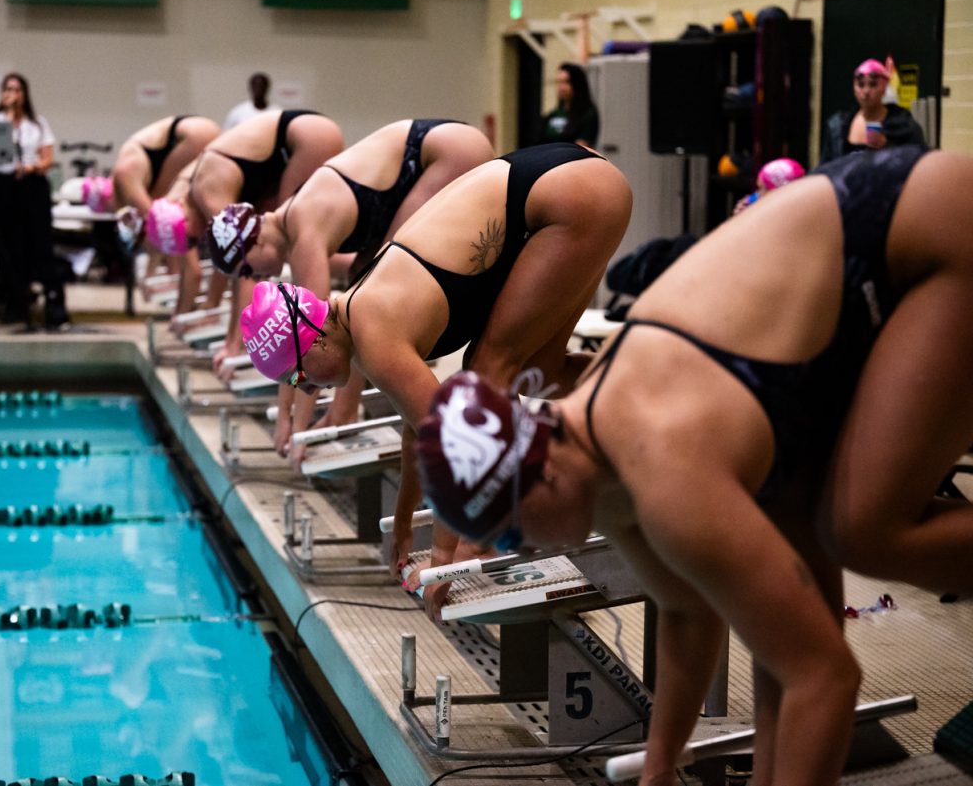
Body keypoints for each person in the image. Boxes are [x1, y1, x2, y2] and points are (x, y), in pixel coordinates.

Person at [414, 145, 973, 786]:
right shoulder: (598, 457)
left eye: (511, 531)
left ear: (538, 473)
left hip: (926, 231)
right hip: (860, 263)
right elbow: (688, 611)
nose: (522, 548)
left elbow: (827, 680)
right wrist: (659, 768)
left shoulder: (664, 469)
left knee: (861, 529)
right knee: (790, 603)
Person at [238, 142, 631, 595]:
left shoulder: (372, 331)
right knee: (539, 368)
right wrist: (404, 523)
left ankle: (483, 542)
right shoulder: (357, 319)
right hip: (570, 184)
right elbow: (418, 431)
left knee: (487, 369)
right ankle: (649, 396)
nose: (307, 393)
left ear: (316, 340)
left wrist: (445, 560)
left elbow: (453, 439)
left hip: (567, 195)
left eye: (299, 378)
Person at [206, 119, 494, 464]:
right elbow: (296, 349)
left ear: (255, 241)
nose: (255, 277)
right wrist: (288, 415)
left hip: (444, 151)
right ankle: (346, 411)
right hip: (434, 150)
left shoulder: (304, 227)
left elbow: (310, 339)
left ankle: (347, 414)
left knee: (365, 297)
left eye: (248, 269)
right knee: (364, 276)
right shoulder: (299, 220)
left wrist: (294, 425)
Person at [190, 109, 343, 364]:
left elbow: (243, 269)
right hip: (301, 135)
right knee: (298, 245)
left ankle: (317, 345)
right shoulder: (206, 191)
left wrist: (236, 346)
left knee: (296, 242)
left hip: (306, 138)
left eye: (187, 240)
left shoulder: (207, 190)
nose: (192, 244)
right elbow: (240, 269)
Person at [101, 115, 221, 310]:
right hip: (194, 131)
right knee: (169, 226)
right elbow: (157, 235)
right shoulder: (128, 179)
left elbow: (159, 227)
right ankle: (186, 294)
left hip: (190, 136)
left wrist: (149, 273)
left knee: (169, 224)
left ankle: (189, 304)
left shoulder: (126, 177)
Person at [0, 72, 68, 330]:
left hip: (32, 187)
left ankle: (54, 307)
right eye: (9, 89)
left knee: (39, 245)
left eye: (18, 89)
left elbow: (47, 159)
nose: (13, 94)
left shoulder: (37, 124)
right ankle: (14, 304)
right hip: (4, 188)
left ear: (25, 94)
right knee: (10, 248)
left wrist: (31, 168)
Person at [820, 59, 925, 165]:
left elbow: (918, 163)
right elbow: (826, 168)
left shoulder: (903, 124)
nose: (866, 91)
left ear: (884, 87)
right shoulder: (838, 126)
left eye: (873, 84)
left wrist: (888, 146)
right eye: (861, 85)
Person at [540, 63, 599, 147]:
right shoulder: (553, 114)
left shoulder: (588, 114)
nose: (561, 87)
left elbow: (582, 147)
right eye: (559, 82)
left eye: (566, 82)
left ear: (577, 84)